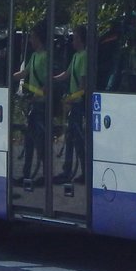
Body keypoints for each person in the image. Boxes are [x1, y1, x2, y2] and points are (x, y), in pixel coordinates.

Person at [13, 23, 48, 185]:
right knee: (29, 140)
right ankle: (26, 174)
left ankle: (45, 174)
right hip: (34, 104)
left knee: (38, 142)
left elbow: (46, 83)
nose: (31, 41)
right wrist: (10, 75)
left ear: (39, 39)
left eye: (33, 38)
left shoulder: (45, 57)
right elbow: (25, 73)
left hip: (41, 105)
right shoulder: (34, 57)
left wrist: (36, 96)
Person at [53, 26, 87, 185]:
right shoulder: (76, 57)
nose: (73, 41)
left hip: (78, 105)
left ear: (80, 40)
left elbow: (82, 87)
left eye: (75, 38)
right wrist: (52, 78)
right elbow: (66, 74)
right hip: (74, 104)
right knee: (71, 138)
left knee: (77, 140)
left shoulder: (84, 57)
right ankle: (69, 170)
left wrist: (70, 99)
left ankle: (80, 172)